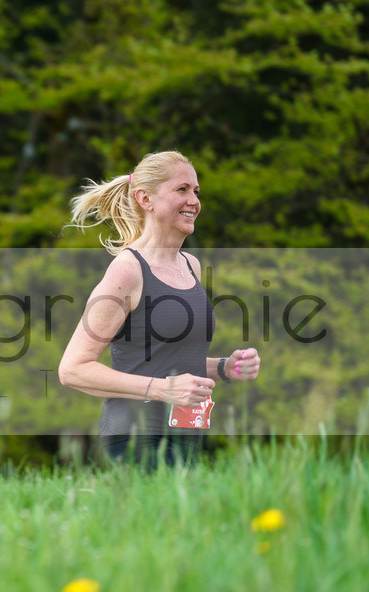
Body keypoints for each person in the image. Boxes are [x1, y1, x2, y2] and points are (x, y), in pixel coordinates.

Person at [58, 151, 260, 467]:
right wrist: (163, 389)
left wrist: (224, 367)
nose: (194, 200)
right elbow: (72, 369)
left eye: (196, 191)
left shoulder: (190, 266)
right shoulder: (127, 270)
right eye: (182, 190)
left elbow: (165, 358)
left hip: (186, 437)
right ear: (146, 199)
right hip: (135, 440)